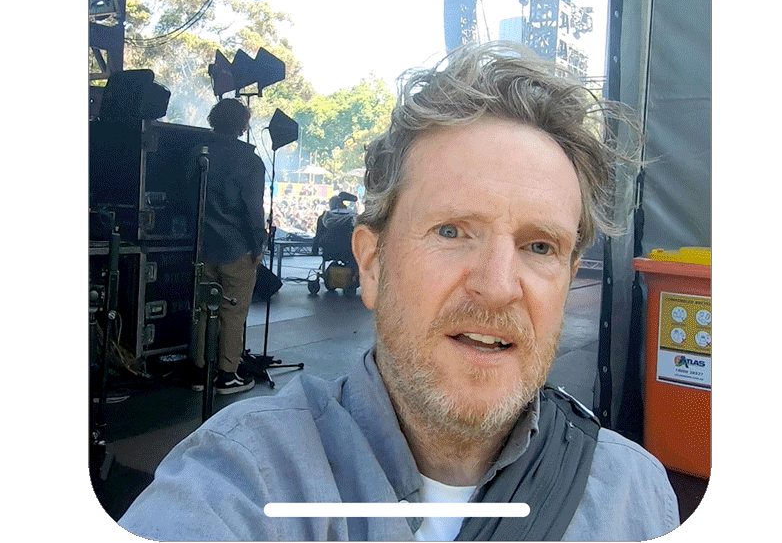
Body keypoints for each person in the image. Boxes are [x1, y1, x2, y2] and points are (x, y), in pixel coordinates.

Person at [119, 43, 678, 541]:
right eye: (452, 231)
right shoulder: (239, 480)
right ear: (371, 263)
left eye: (539, 247)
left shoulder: (635, 496)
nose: (498, 286)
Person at [188, 98, 267, 396]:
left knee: (202, 309)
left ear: (212, 119)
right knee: (232, 313)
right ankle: (227, 374)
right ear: (243, 124)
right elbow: (252, 207)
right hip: (237, 248)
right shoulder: (250, 160)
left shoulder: (198, 153)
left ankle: (198, 371)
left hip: (202, 245)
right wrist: (257, 242)